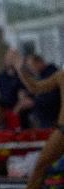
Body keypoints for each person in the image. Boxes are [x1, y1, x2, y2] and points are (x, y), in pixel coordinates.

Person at [13, 51, 64, 189]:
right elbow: (35, 88)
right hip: (61, 131)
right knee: (40, 167)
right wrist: (20, 70)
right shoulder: (61, 76)